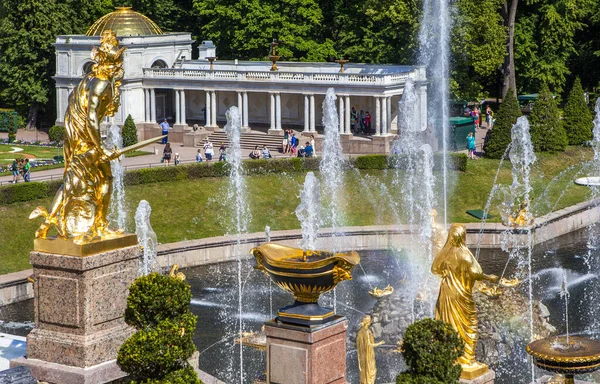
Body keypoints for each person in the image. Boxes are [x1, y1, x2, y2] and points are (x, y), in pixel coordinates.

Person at [431, 223, 498, 368]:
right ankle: (467, 360)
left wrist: (448, 274)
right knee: (469, 325)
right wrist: (489, 278)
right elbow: (476, 274)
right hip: (462, 295)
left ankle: (449, 357)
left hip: (446, 293)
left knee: (447, 324)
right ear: (462, 236)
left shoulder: (444, 253)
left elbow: (434, 269)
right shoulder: (465, 255)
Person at [356, 315, 384, 384]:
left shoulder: (361, 332)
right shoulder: (366, 332)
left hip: (364, 355)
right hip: (368, 356)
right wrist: (380, 343)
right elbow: (369, 345)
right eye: (370, 320)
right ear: (368, 322)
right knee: (371, 371)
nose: (371, 321)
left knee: (366, 371)